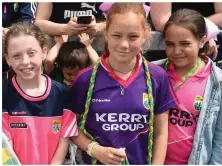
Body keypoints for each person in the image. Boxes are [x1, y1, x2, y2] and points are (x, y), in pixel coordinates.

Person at [2, 22, 124, 165]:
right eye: (16, 55)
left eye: (31, 53)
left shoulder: (62, 93)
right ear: (7, 59)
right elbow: (5, 145)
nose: (25, 61)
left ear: (44, 52)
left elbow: (63, 139)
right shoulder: (4, 93)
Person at [71, 3, 177, 164]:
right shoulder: (85, 79)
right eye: (116, 35)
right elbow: (69, 126)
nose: (124, 44)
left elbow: (161, 132)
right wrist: (94, 149)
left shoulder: (157, 76)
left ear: (145, 35)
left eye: (133, 36)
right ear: (106, 34)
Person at [152, 9, 222, 164]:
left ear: (202, 40)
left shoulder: (218, 82)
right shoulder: (152, 73)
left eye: (185, 44)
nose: (177, 51)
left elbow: (221, 138)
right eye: (170, 44)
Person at [150, 2, 222, 61]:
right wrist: (204, 30)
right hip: (165, 55)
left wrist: (206, 31)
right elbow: (161, 21)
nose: (177, 51)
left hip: (206, 49)